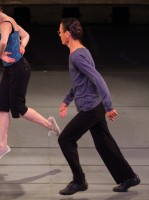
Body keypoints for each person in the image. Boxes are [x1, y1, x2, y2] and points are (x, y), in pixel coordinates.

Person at [57, 18, 140, 195]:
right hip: (95, 107)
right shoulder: (82, 51)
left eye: (60, 32)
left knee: (65, 140)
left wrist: (109, 105)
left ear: (67, 34)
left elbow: (97, 78)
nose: (59, 35)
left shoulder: (77, 56)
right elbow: (80, 82)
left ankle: (79, 181)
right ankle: (129, 177)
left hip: (90, 109)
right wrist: (67, 100)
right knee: (105, 144)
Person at [0, 0, 60, 164]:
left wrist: (0, 55)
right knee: (1, 106)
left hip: (19, 70)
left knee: (18, 108)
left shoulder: (5, 24)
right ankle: (2, 145)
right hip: (11, 69)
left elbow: (3, 42)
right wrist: (23, 45)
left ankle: (50, 125)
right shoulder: (9, 19)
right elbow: (26, 35)